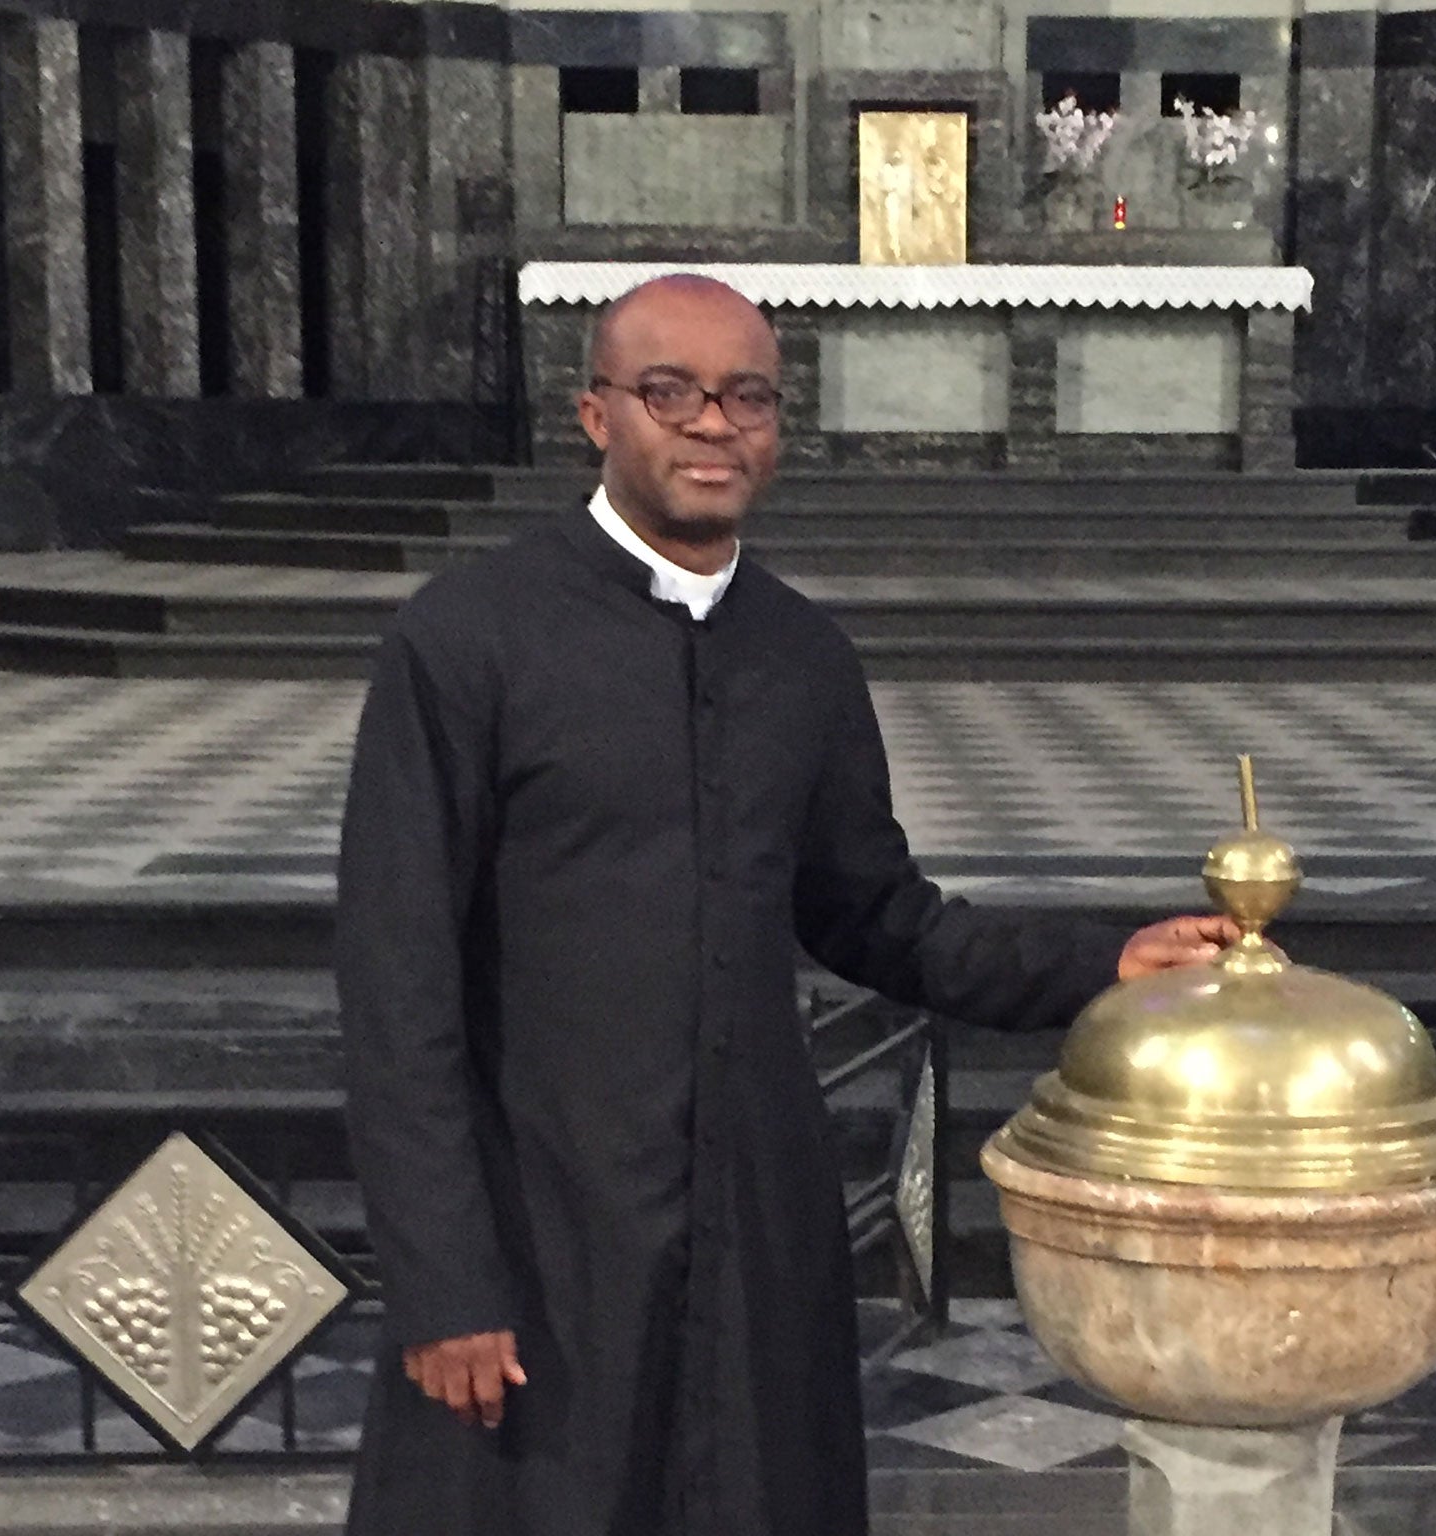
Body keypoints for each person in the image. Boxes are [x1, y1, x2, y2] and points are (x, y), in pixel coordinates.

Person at [337, 274, 1239, 1536]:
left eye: (745, 394)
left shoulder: (801, 656)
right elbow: (396, 988)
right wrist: (442, 1281)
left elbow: (878, 915)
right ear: (595, 415)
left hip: (754, 1233)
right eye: (670, 391)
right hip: (546, 1234)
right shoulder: (466, 641)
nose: (712, 423)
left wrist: (1104, 963)